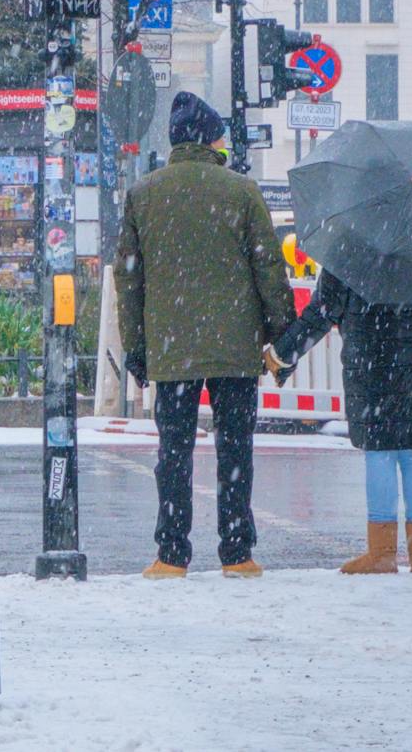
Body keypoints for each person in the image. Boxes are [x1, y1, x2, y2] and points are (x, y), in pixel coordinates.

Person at [115, 91, 298, 579]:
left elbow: (129, 280)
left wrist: (136, 347)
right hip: (235, 347)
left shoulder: (143, 195)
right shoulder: (241, 191)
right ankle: (237, 553)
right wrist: (281, 336)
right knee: (234, 450)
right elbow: (269, 269)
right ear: (211, 140)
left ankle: (171, 553)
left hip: (171, 346)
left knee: (173, 453)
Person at [268, 266, 412, 574]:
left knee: (380, 451)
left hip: (371, 360)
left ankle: (382, 552)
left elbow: (321, 313)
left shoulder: (349, 253)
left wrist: (283, 354)